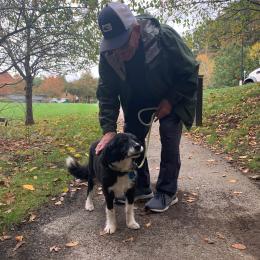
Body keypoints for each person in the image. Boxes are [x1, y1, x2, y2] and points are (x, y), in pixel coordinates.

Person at [95, 2, 199, 212]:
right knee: (132, 138)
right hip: (137, 99)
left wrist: (170, 101)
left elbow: (189, 73)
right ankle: (141, 187)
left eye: (123, 45)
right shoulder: (108, 53)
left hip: (172, 94)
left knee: (169, 134)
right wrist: (108, 130)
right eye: (113, 47)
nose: (119, 53)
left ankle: (167, 192)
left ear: (135, 30)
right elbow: (107, 93)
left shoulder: (164, 38)